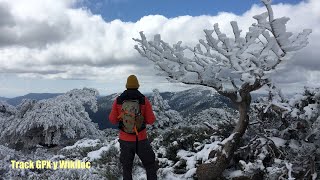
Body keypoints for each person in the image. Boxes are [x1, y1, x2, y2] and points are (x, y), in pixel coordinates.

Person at [109, 75, 157, 180]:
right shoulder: (143, 100)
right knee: (150, 164)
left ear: (127, 86)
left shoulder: (118, 100)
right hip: (141, 139)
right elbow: (151, 120)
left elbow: (112, 120)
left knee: (127, 168)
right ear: (137, 85)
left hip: (125, 140)